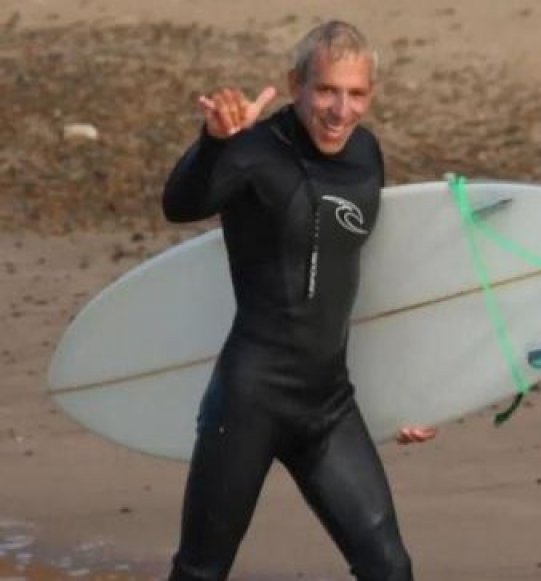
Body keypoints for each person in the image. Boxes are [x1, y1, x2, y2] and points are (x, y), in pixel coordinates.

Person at [161, 20, 435, 581]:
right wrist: (214, 143)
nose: (341, 110)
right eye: (326, 90)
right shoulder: (253, 150)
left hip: (328, 406)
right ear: (295, 84)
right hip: (248, 403)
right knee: (200, 572)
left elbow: (371, 280)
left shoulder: (367, 155)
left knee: (390, 568)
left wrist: (413, 394)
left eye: (356, 93)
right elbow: (181, 203)